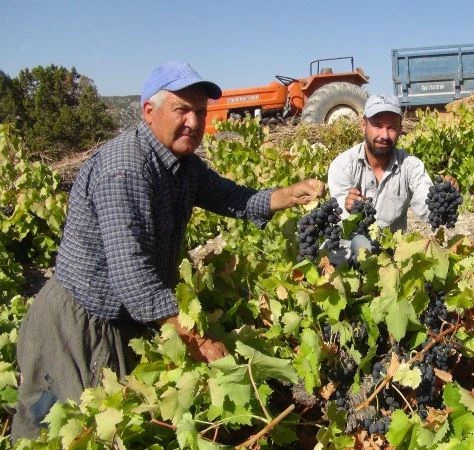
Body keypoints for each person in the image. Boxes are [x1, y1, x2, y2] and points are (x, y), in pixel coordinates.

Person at [11, 62, 326, 440]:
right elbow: (134, 277)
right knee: (53, 430)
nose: (194, 122)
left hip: (125, 319)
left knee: (119, 429)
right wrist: (199, 340)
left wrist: (287, 195)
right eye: (182, 110)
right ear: (149, 111)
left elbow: (232, 197)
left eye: (201, 112)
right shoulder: (126, 168)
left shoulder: (182, 165)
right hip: (80, 322)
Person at [327, 94, 458, 254]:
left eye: (391, 128)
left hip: (391, 257)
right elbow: (338, 216)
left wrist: (445, 196)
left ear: (400, 130)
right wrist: (347, 207)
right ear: (363, 125)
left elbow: (431, 212)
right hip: (348, 255)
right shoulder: (342, 165)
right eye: (377, 126)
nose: (384, 135)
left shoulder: (412, 167)